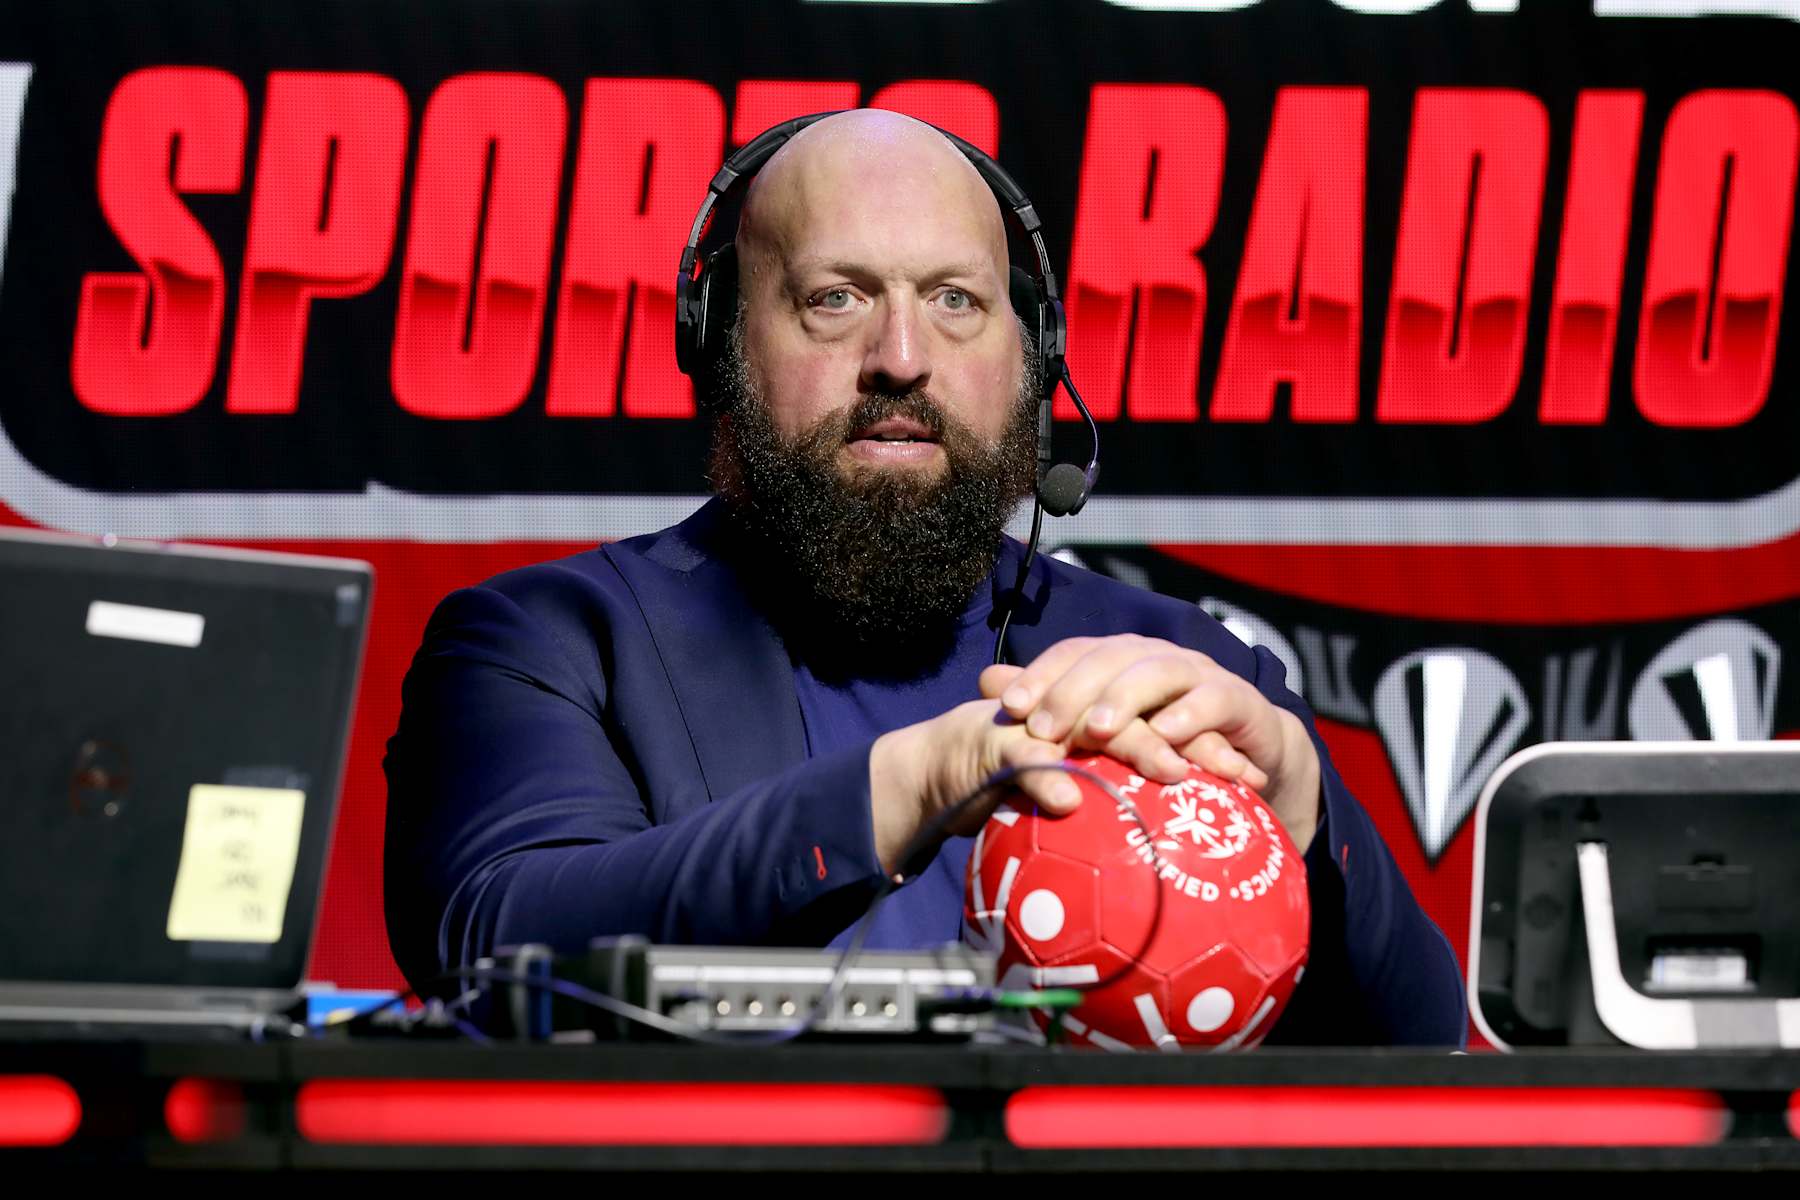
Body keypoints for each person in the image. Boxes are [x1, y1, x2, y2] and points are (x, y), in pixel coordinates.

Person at [384, 109, 1467, 1045]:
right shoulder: (547, 642)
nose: (902, 354)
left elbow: (1416, 1043)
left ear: (1032, 354)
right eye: (836, 297)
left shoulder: (1186, 675)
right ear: (722, 345)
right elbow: (496, 943)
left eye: (956, 300)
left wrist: (1304, 813)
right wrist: (909, 787)